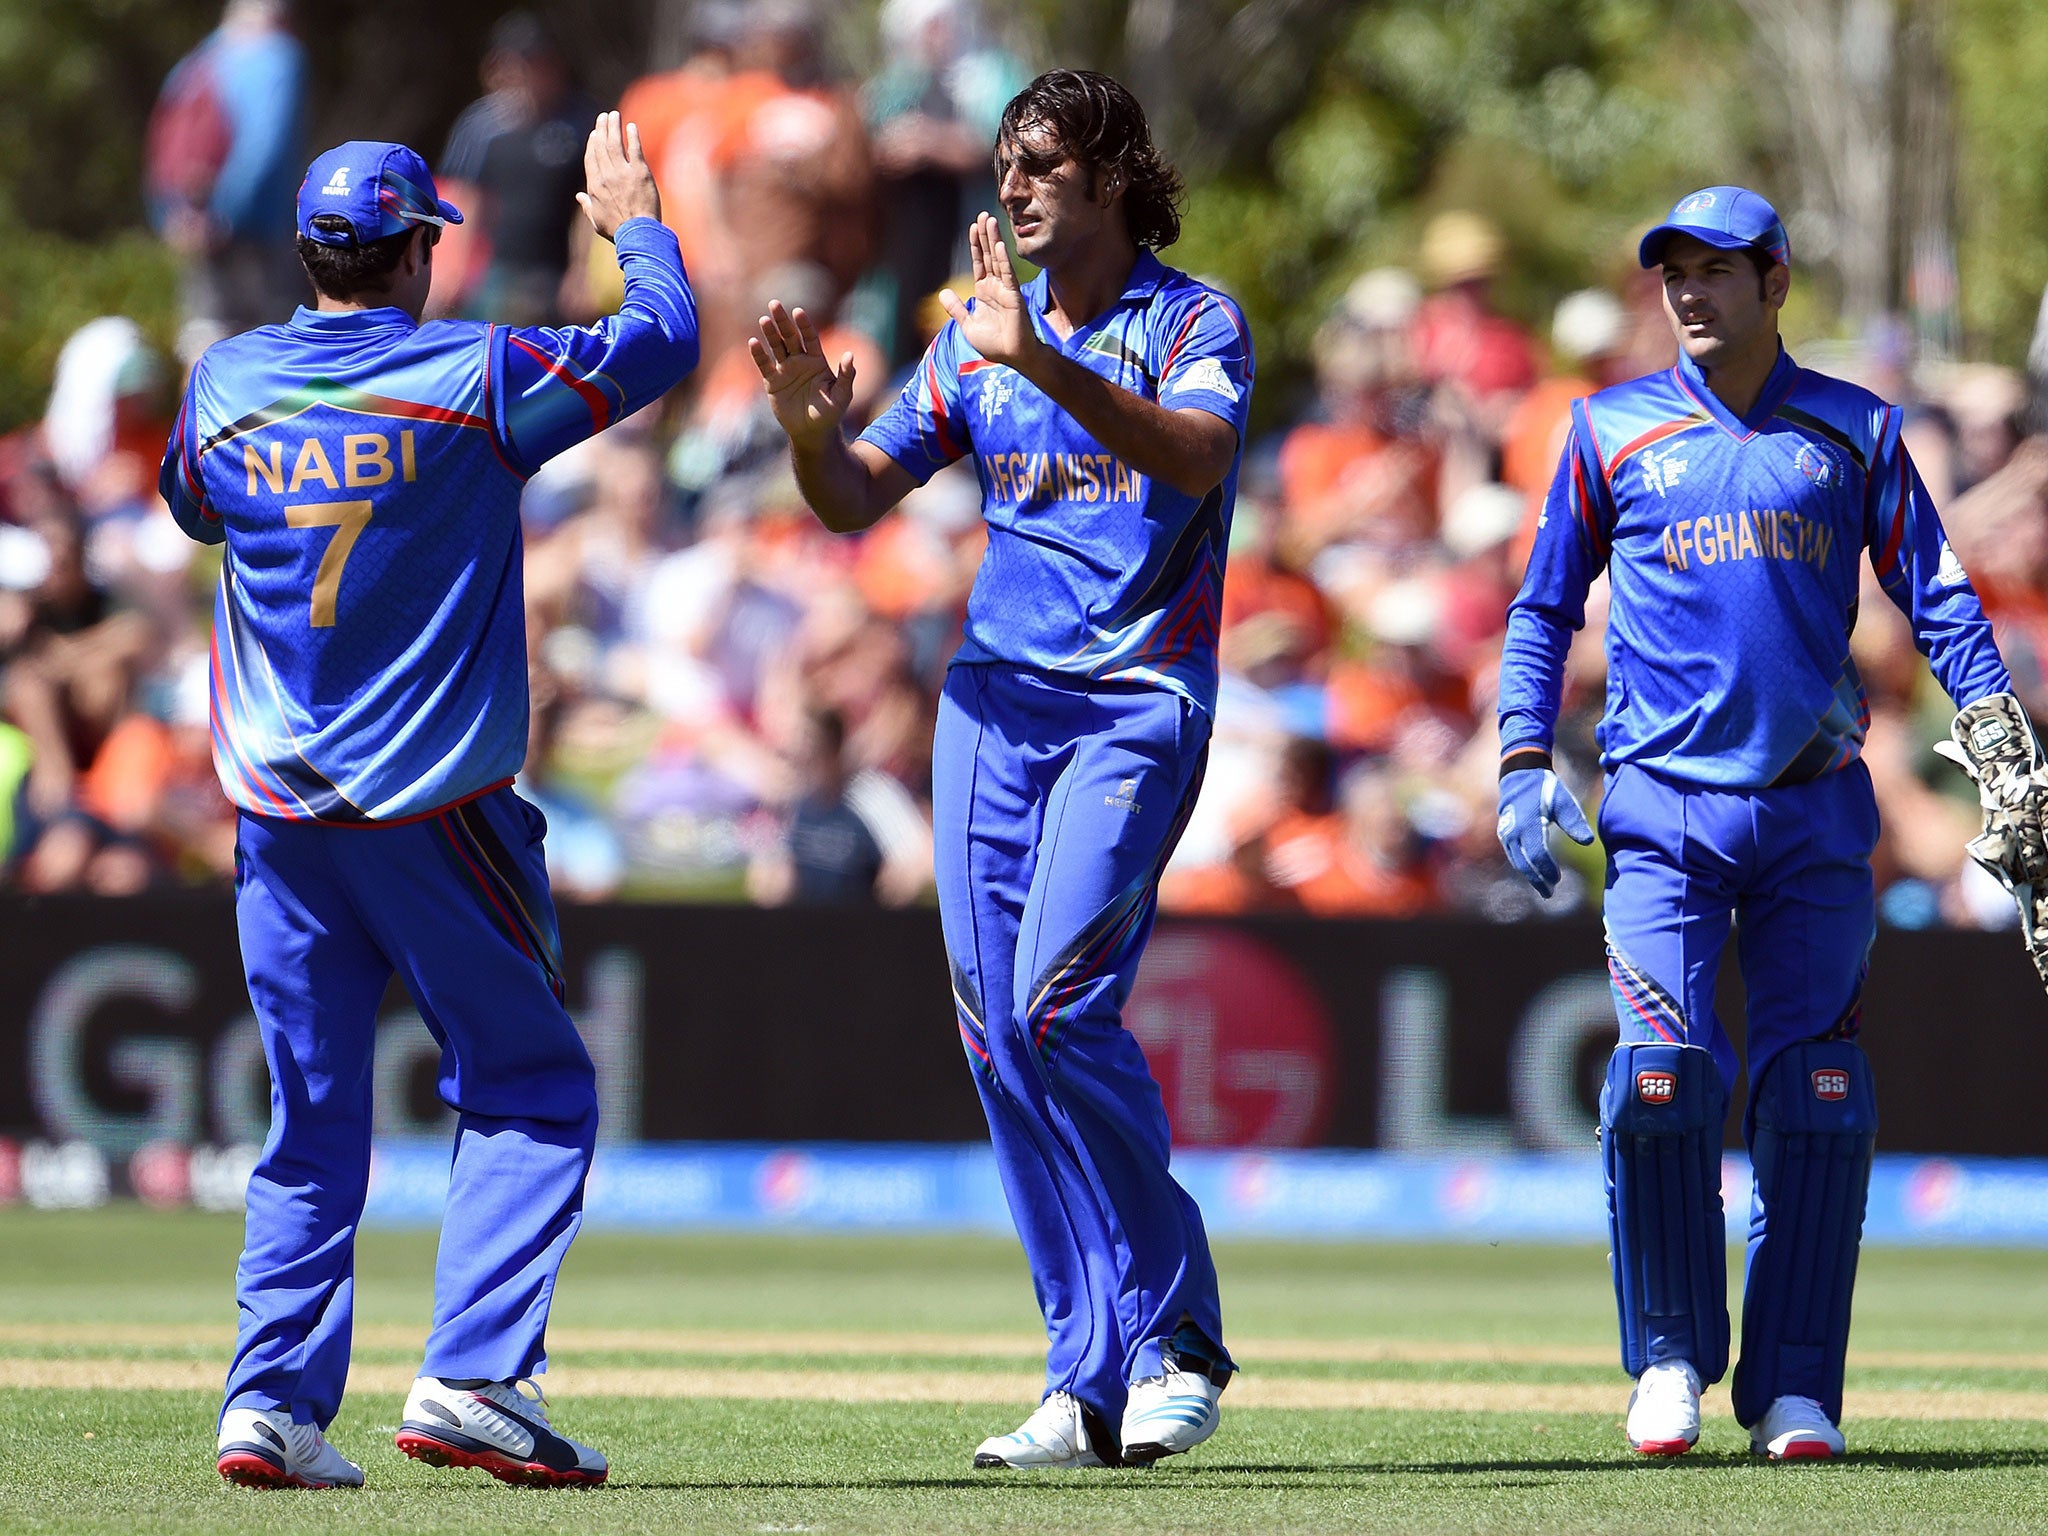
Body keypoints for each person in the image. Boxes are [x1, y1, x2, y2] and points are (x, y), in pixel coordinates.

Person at [159, 116, 699, 1490]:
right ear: (413, 257)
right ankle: (472, 1374)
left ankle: (268, 1402)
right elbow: (664, 338)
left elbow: (192, 509)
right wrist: (630, 219)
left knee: (311, 1107)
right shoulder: (475, 373)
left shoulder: (224, 383)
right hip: (432, 807)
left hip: (278, 816)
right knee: (528, 1083)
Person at [750, 68, 1250, 1470]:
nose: (1012, 189)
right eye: (1004, 166)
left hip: (1135, 699)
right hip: (992, 709)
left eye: (1039, 166)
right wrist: (807, 429)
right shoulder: (975, 339)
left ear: (1109, 176)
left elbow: (1198, 460)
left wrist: (1041, 360)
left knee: (1058, 1005)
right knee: (996, 1034)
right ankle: (1081, 1375)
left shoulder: (1192, 320)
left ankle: (1179, 1336)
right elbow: (856, 496)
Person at [1495, 185, 2028, 1461]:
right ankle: (1669, 1358)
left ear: (1775, 281)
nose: (1689, 291)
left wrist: (2007, 755)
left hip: (1813, 815)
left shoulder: (1852, 431)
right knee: (1662, 1080)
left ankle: (1795, 1387)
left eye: (1717, 270)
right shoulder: (1606, 430)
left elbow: (1942, 600)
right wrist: (1519, 758)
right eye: (1672, 270)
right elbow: (1540, 607)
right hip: (1662, 813)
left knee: (1821, 1095)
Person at [146, 0, 306, 363]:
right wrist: (225, 213)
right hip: (257, 232)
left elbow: (163, 142)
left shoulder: (195, 62)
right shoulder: (279, 57)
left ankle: (202, 416)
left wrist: (170, 215)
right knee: (272, 341)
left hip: (190, 226)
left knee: (205, 336)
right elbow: (265, 145)